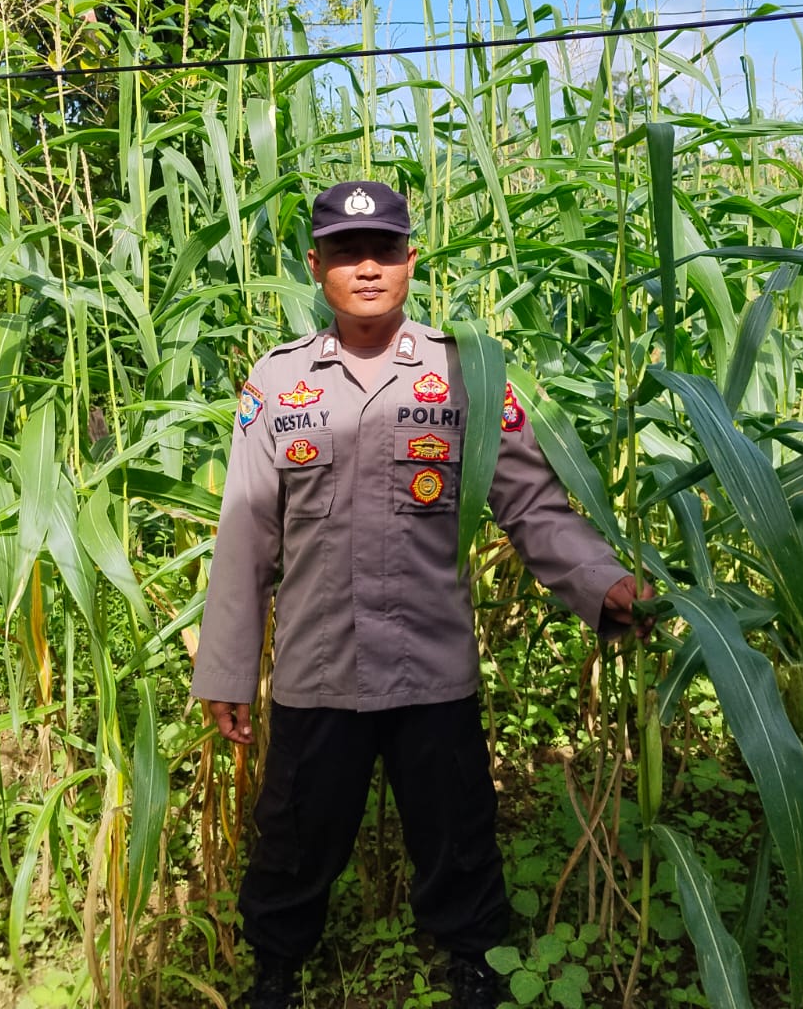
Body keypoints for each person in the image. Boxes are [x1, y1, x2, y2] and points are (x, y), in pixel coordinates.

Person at [192, 180, 652, 1009]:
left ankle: (476, 964)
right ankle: (275, 970)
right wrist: (225, 670)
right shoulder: (277, 381)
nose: (366, 268)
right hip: (318, 671)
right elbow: (246, 533)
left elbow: (530, 503)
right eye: (345, 253)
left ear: (411, 259)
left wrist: (601, 581)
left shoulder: (467, 372)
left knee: (458, 834)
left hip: (430, 666)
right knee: (294, 836)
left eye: (383, 250)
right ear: (315, 267)